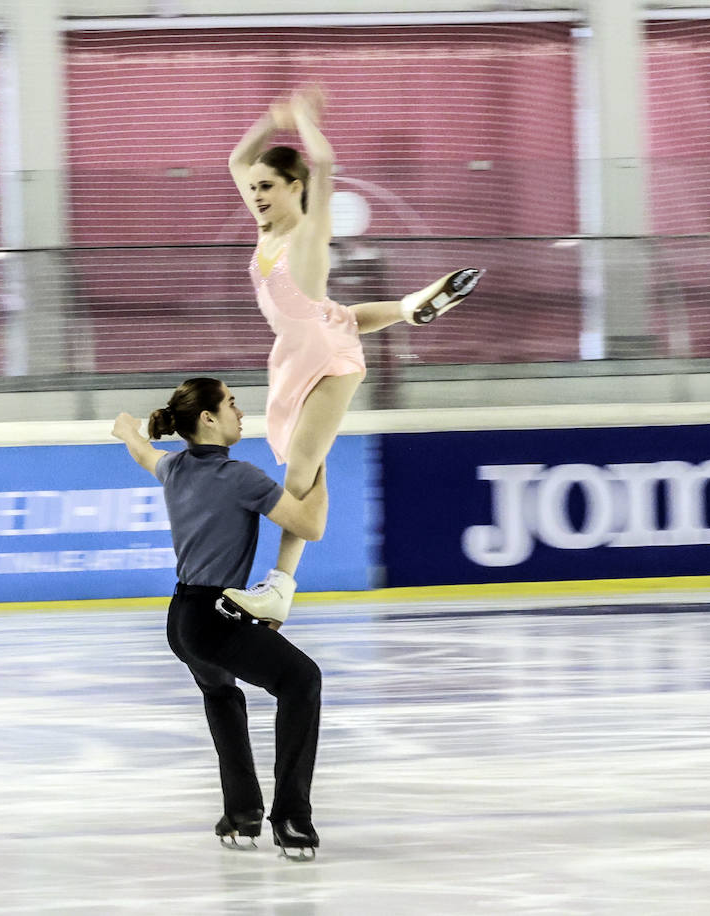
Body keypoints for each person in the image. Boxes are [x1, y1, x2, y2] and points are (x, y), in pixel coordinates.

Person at [222, 86, 482, 623]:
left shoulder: (307, 232)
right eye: (254, 189)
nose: (257, 195)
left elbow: (323, 161)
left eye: (269, 187)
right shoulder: (265, 230)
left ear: (297, 189)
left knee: (299, 474)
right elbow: (237, 160)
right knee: (308, 464)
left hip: (324, 357)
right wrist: (272, 121)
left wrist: (302, 121)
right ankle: (410, 307)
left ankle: (278, 586)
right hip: (302, 343)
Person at [112, 377, 327, 860]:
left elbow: (142, 452)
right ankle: (291, 817)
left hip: (182, 622)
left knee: (223, 695)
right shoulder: (240, 477)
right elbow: (310, 525)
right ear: (208, 418)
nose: (240, 411)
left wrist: (127, 430)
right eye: (231, 403)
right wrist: (319, 460)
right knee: (301, 681)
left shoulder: (174, 468)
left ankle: (243, 812)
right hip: (214, 618)